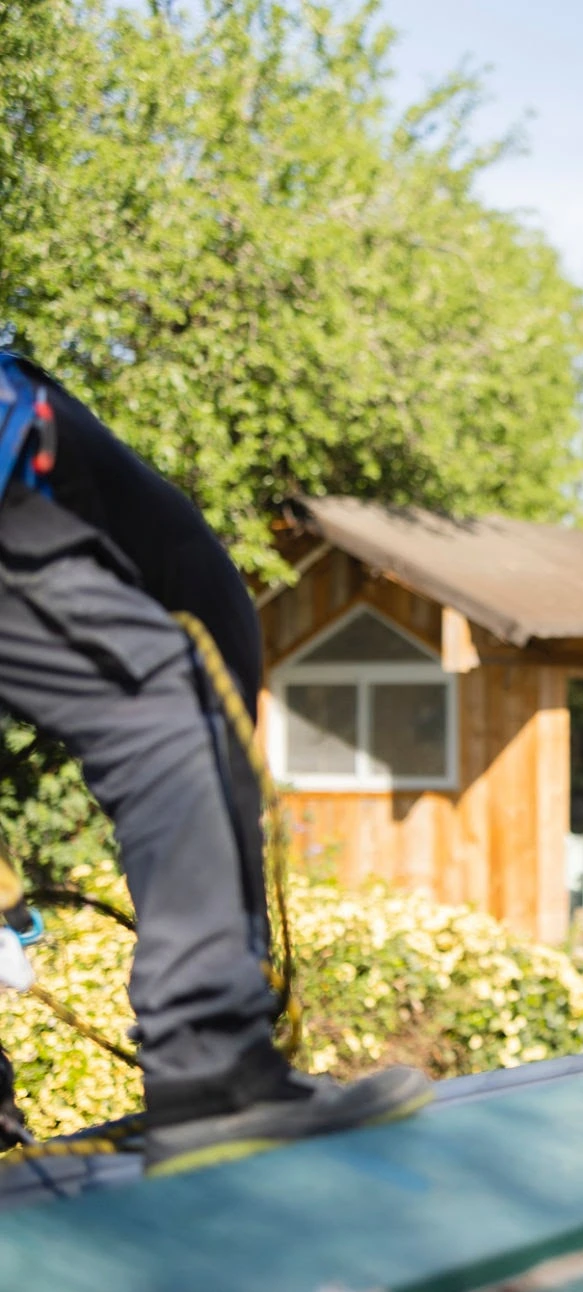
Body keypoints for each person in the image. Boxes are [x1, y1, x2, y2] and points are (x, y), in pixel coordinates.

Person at [0, 352, 432, 1175]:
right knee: (161, 701)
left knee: (184, 684)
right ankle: (213, 1070)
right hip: (21, 468)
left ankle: (217, 1056)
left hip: (50, 457)